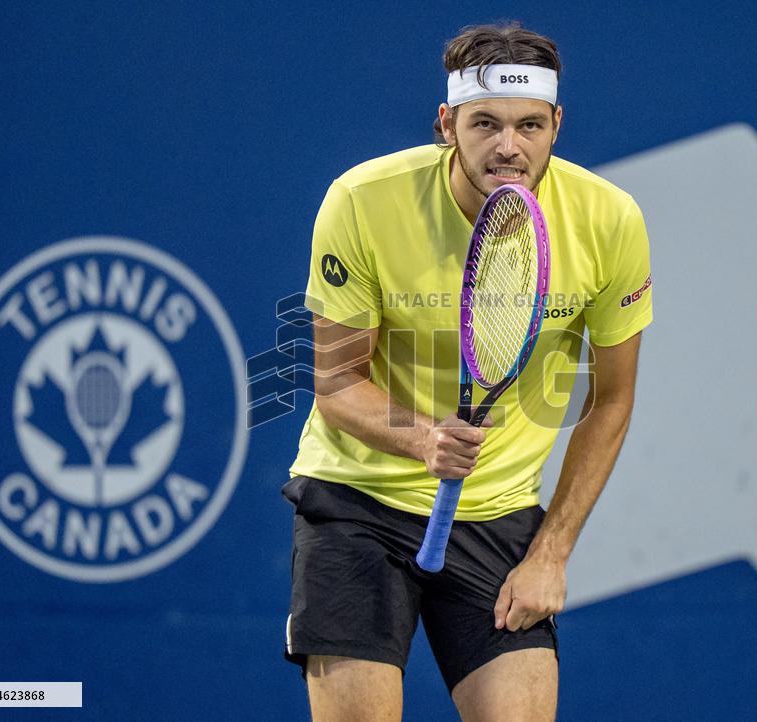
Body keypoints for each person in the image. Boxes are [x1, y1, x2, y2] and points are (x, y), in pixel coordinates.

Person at [284, 22, 653, 721]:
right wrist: (424, 440)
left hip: (498, 515)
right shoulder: (363, 201)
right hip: (357, 503)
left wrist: (552, 552)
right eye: (485, 123)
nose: (508, 146)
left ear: (556, 126)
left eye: (529, 125)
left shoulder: (610, 221)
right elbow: (335, 384)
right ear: (446, 123)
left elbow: (612, 400)